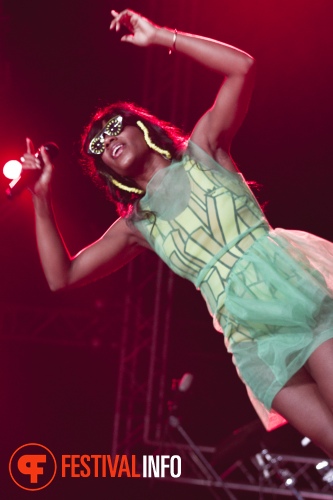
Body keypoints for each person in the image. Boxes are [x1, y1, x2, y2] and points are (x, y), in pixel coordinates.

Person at [22, 9, 333, 457]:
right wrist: (41, 197)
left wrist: (161, 36)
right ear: (105, 169)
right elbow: (61, 277)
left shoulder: (205, 149)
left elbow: (242, 67)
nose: (105, 138)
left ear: (141, 127)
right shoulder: (137, 225)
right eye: (96, 145)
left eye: (113, 125)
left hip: (293, 290)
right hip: (250, 335)